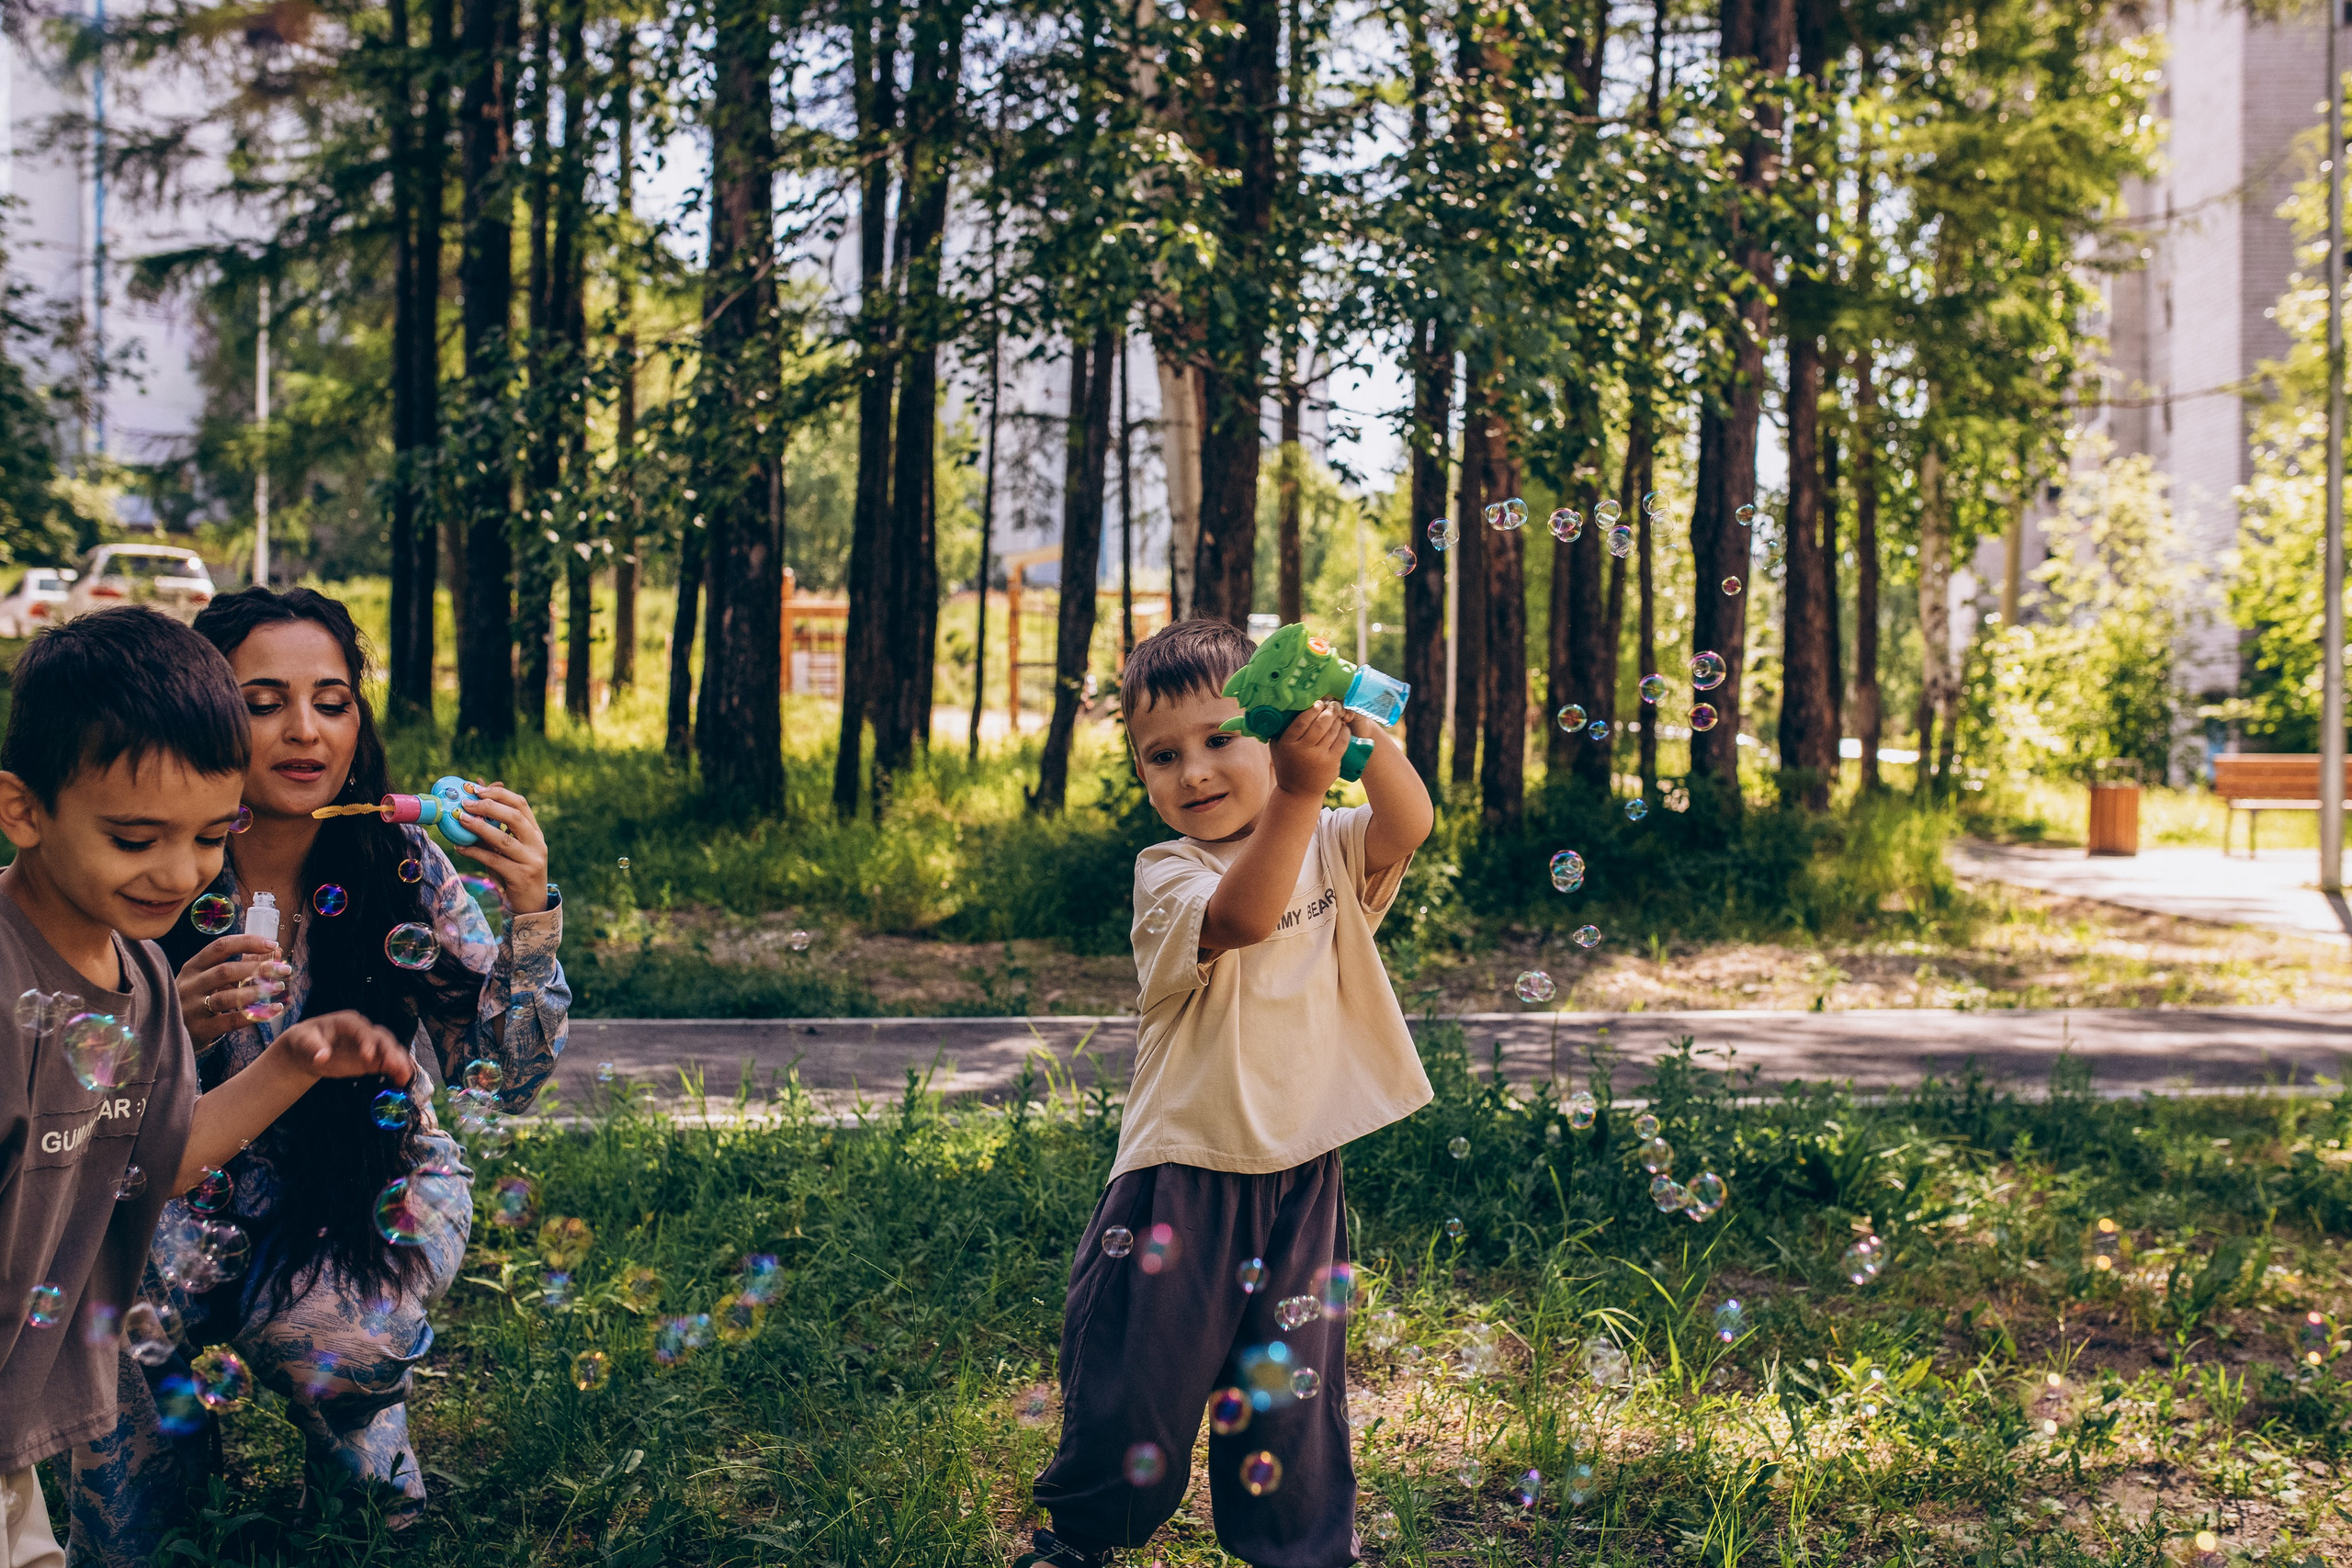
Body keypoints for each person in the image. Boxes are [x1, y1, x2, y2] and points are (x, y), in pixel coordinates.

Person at [67, 588, 569, 1563]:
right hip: (176, 1183)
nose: (305, 731)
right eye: (263, 703)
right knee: (107, 1305)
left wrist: (531, 916)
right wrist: (165, 1025)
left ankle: (359, 1458)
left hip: (369, 1179)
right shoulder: (140, 861)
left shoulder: (401, 863)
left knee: (340, 1369)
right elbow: (69, 1091)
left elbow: (503, 1080)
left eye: (332, 701)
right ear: (202, 716)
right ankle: (167, 1477)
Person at [0, 607, 413, 1568]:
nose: (177, 873)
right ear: (22, 809)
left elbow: (162, 1155)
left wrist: (290, 1062)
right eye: (135, 838)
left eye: (208, 837)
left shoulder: (141, 974)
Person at [1025, 619, 1436, 1568]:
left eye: (1220, 738)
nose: (1195, 772)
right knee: (1140, 1378)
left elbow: (1408, 822)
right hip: (1185, 1170)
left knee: (1288, 1388)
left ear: (1275, 730)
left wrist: (1356, 731)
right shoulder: (1169, 872)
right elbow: (1246, 914)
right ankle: (1081, 1538)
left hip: (1301, 1169)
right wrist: (1297, 787)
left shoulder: (1330, 841)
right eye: (1162, 755)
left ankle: (1299, 1550)